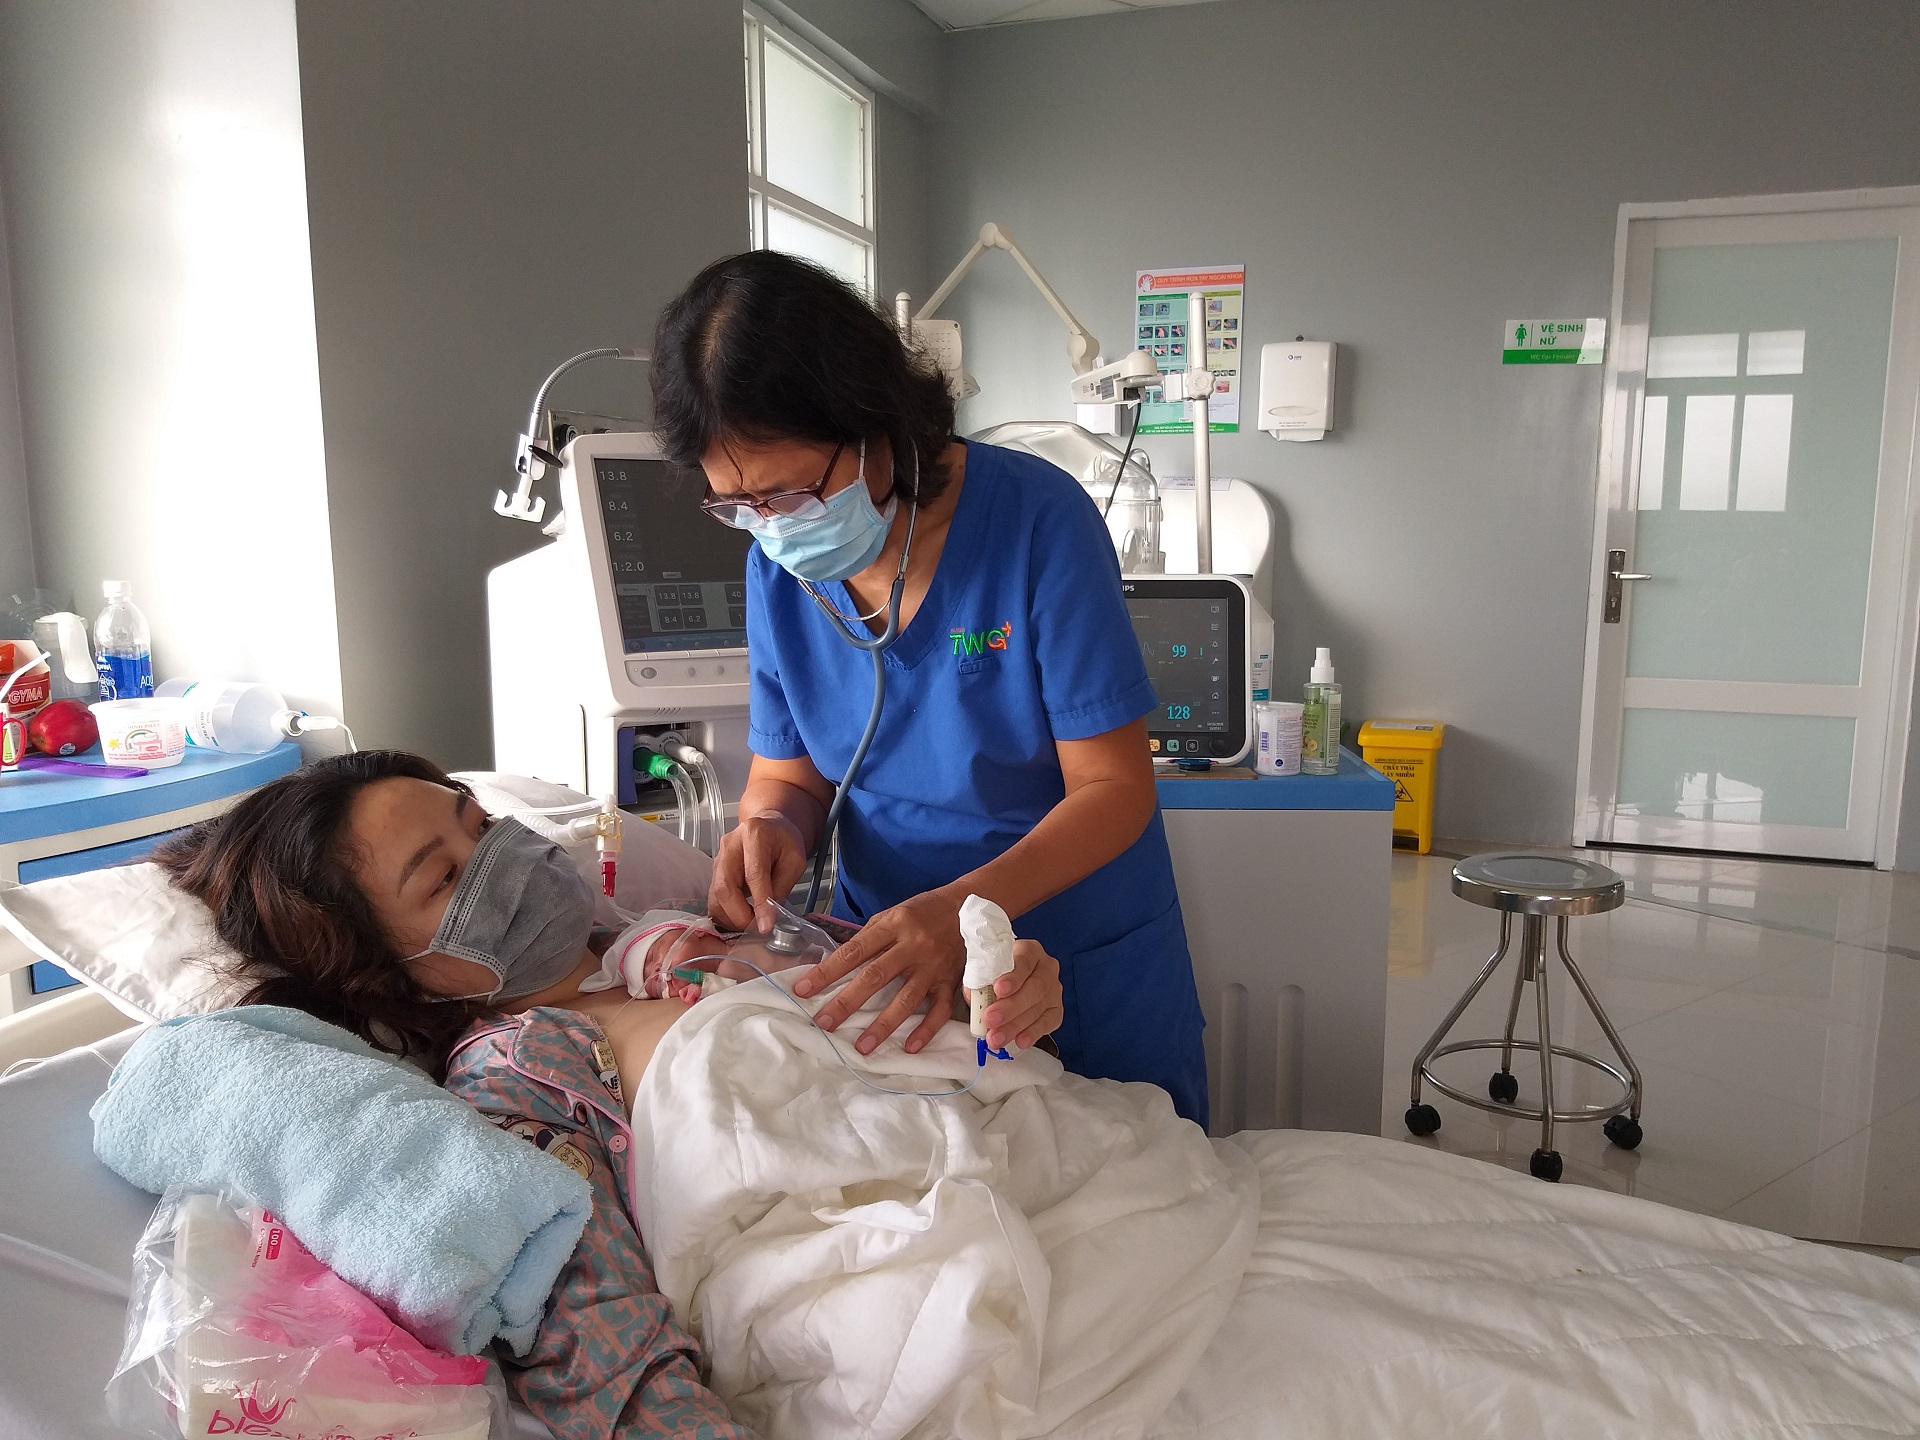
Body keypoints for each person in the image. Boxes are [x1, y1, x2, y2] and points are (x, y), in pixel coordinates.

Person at [155, 750, 1065, 1440]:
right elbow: (596, 1329)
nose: (496, 855)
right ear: (385, 974)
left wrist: (1012, 997)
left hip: (1058, 1172)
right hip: (912, 1294)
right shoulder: (520, 1071)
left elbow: (951, 1036)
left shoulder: (708, 940)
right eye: (443, 878)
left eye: (476, 822)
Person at [651, 250, 1209, 1125]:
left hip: (1070, 937)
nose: (772, 528)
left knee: (1132, 1195)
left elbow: (1114, 790)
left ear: (871, 421)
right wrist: (768, 828)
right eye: (738, 505)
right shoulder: (778, 573)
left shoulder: (1035, 523)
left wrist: (958, 913)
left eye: (791, 492)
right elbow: (790, 772)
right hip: (892, 960)